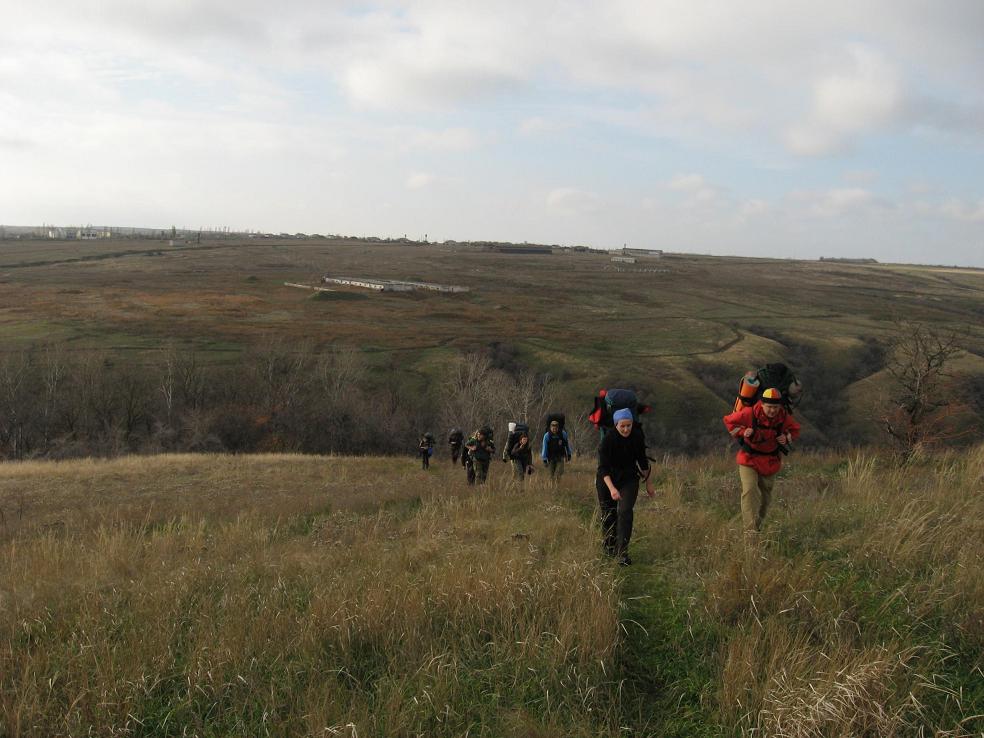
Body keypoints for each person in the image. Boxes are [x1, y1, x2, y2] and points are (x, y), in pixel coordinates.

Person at [722, 387, 801, 549]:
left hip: (770, 461)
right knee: (749, 490)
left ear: (780, 407)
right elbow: (729, 421)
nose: (772, 410)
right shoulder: (749, 413)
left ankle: (757, 526)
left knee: (766, 498)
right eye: (769, 407)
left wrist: (786, 438)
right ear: (762, 404)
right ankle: (750, 534)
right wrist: (744, 432)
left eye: (775, 407)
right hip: (748, 459)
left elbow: (795, 429)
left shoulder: (783, 417)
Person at [597, 408, 655, 565]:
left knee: (625, 512)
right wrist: (612, 489)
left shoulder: (636, 437)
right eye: (622, 426)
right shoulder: (608, 440)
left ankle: (622, 553)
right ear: (616, 425)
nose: (626, 429)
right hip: (607, 479)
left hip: (629, 479)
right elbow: (602, 468)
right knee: (609, 513)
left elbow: (643, 462)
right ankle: (609, 546)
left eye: (629, 425)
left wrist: (649, 484)